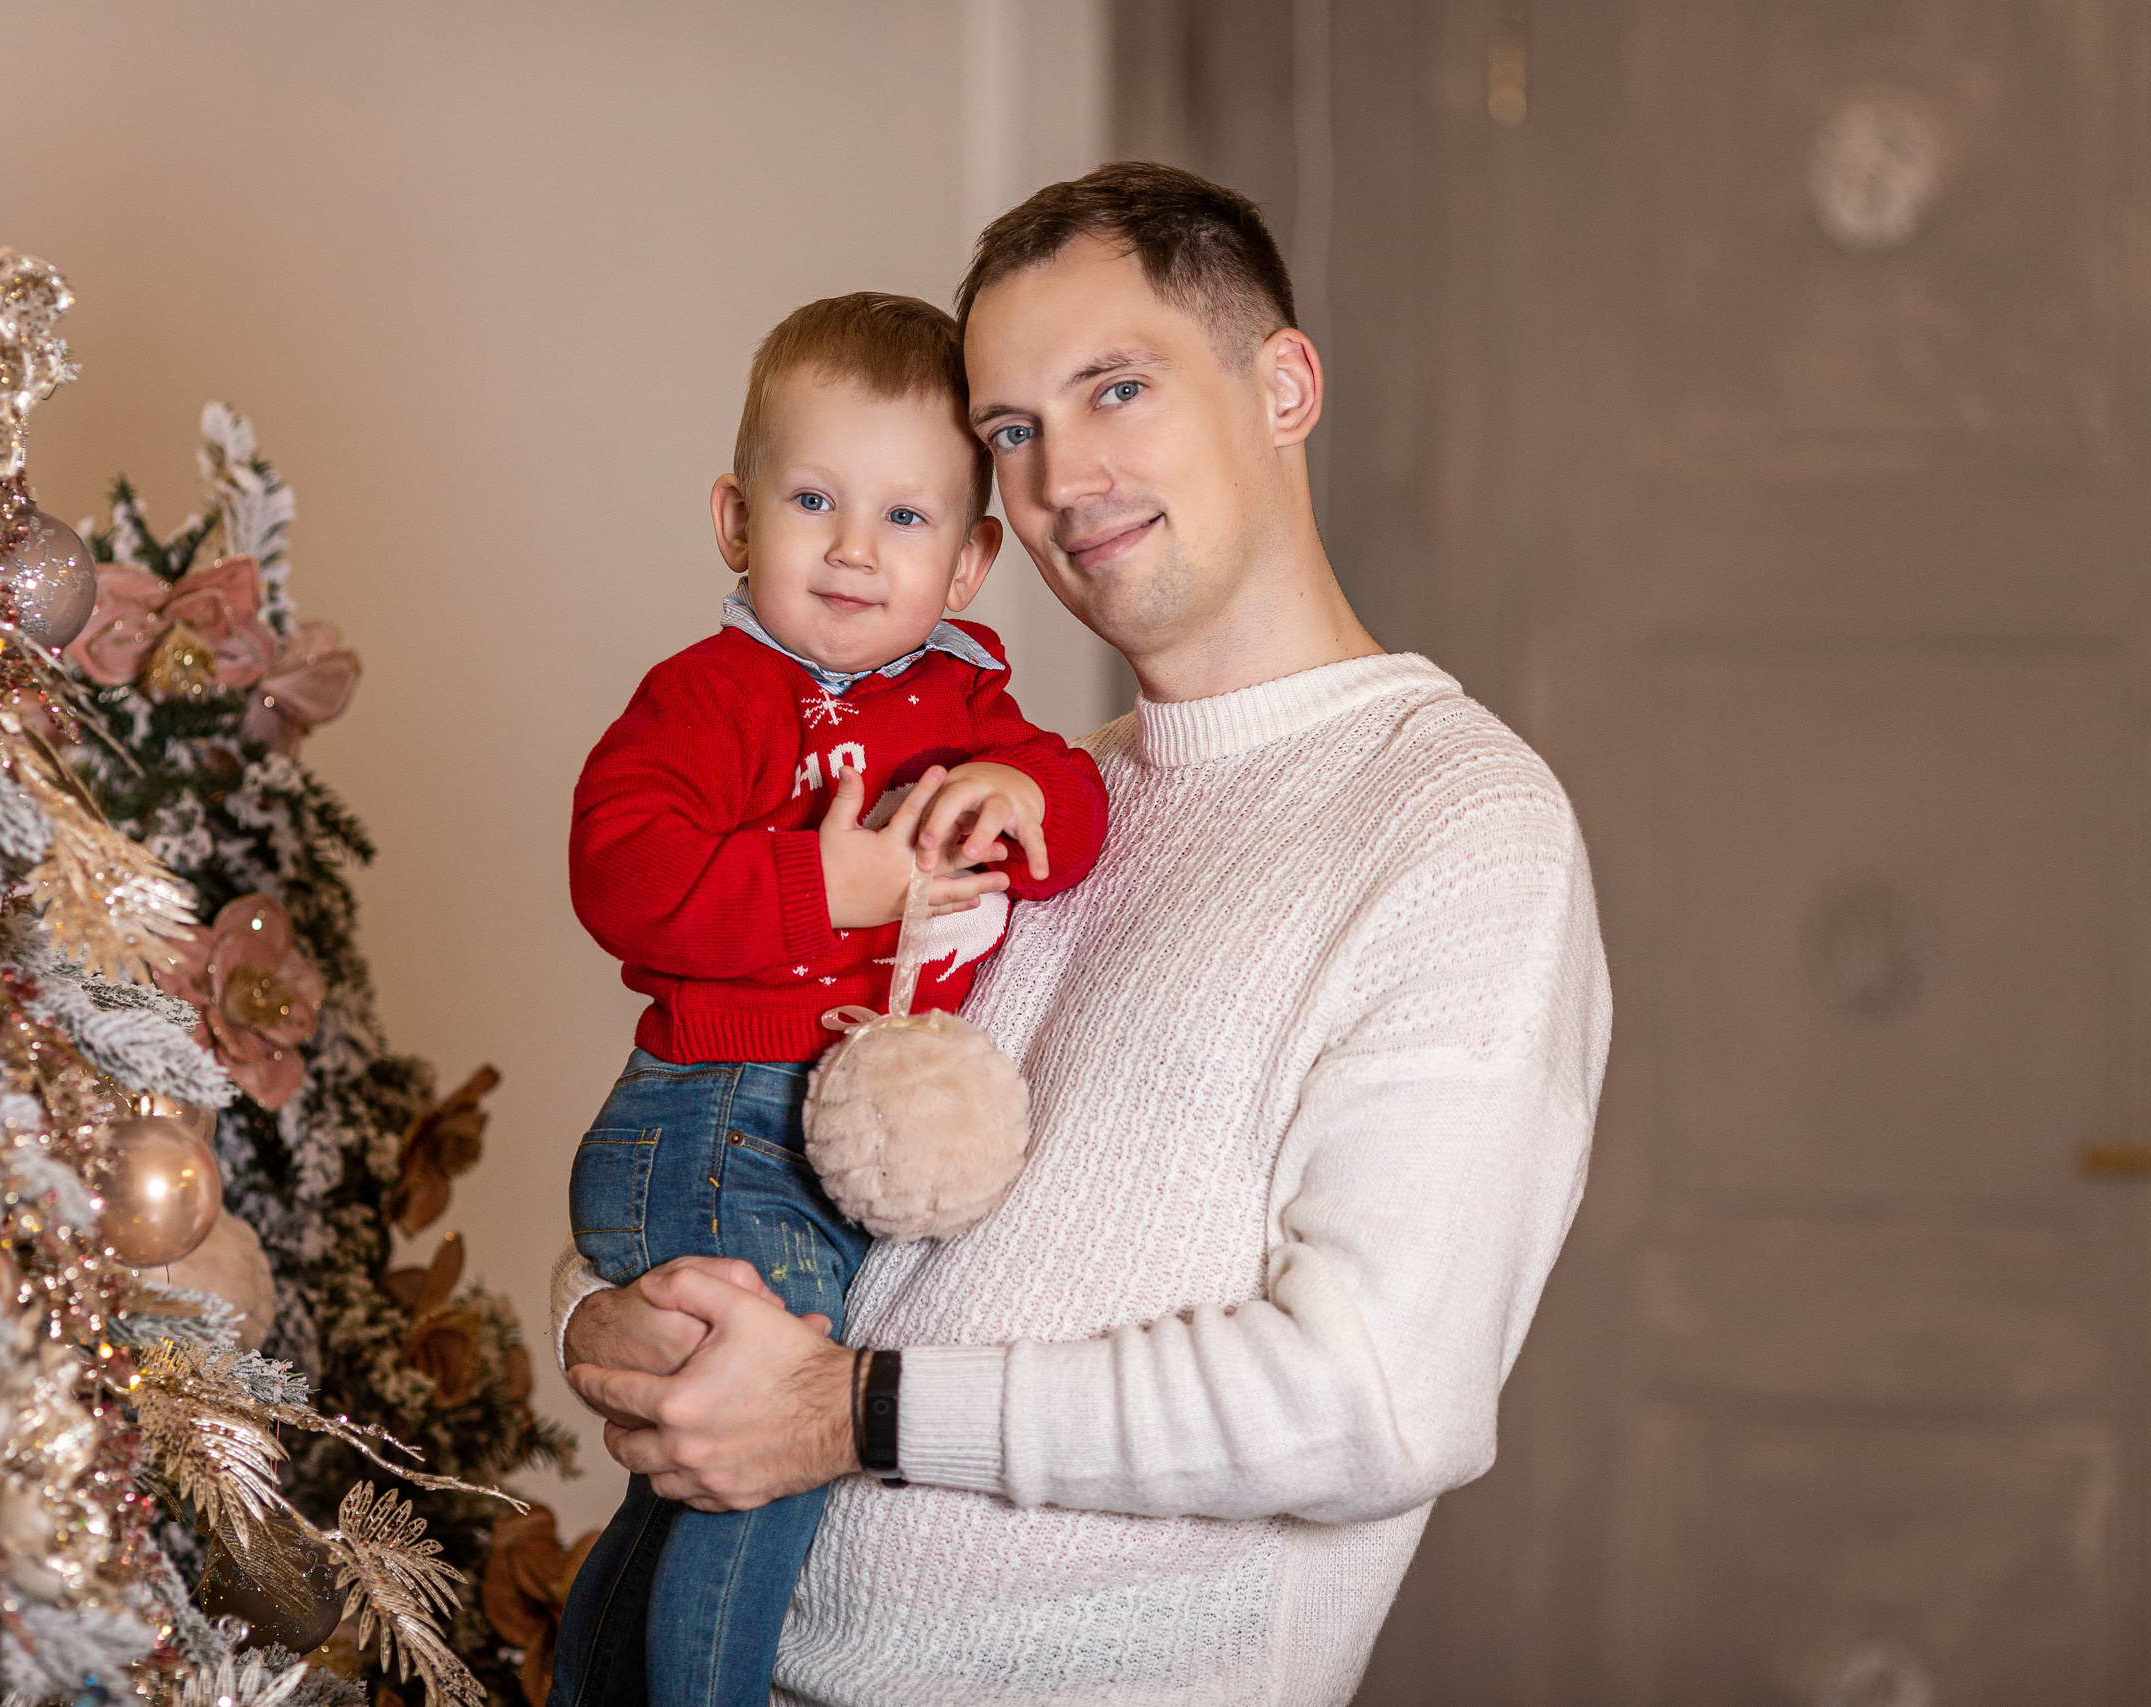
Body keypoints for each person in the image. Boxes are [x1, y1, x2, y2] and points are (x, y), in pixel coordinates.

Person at [555, 163, 1611, 1707]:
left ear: (1286, 384)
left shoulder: (1458, 824)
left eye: (1118, 388)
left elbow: (1378, 1401)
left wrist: (853, 1413)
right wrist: (606, 1316)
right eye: (1011, 431)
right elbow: (760, 1120)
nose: (1063, 477)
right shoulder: (1028, 796)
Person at [558, 291, 1110, 1707]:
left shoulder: (964, 705)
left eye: (908, 519)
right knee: (767, 1457)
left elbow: (1076, 808)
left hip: (807, 1139)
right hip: (713, 1122)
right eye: (815, 501)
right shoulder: (710, 697)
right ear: (738, 523)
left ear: (974, 559)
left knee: (682, 1489)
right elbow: (621, 873)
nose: (857, 551)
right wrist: (831, 889)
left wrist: (1021, 791)